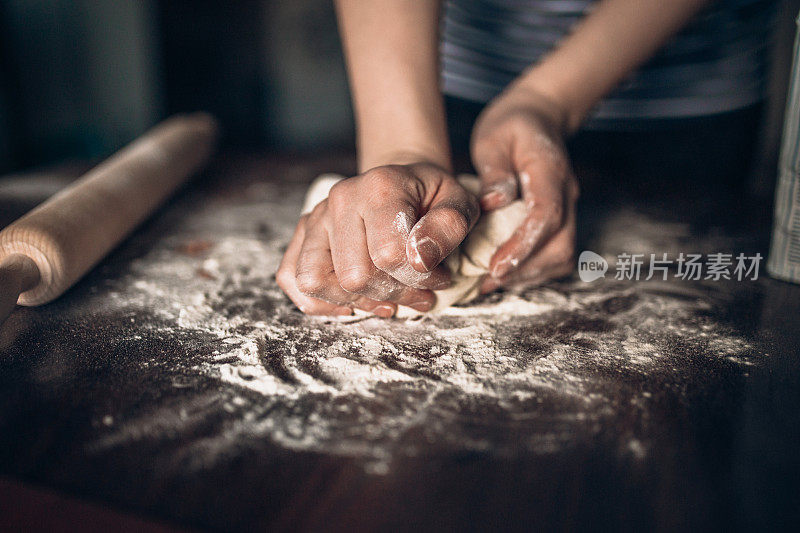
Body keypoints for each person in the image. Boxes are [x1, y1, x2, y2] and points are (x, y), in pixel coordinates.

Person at [277, 0, 777, 317]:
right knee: (431, 224)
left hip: (688, 91)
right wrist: (403, 147)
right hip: (433, 64)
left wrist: (550, 99)